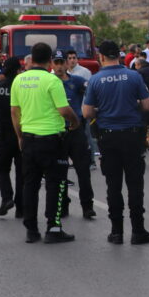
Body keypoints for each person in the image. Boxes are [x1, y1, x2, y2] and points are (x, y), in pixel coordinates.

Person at [83, 40, 149, 245]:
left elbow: (87, 112)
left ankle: (116, 232)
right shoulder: (134, 76)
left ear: (101, 57)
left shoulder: (95, 80)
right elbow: (148, 106)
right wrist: (132, 107)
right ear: (119, 55)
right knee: (135, 185)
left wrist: (103, 110)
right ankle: (138, 231)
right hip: (132, 136)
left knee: (113, 186)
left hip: (108, 137)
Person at [10, 42, 80, 244]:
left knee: (30, 185)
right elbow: (64, 110)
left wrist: (20, 136)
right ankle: (53, 228)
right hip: (52, 140)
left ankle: (31, 230)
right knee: (55, 185)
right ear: (50, 60)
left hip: (29, 139)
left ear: (31, 59)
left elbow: (14, 112)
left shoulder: (18, 80)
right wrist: (74, 122)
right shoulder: (52, 80)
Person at [51, 50, 96, 219]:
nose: (59, 66)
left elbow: (92, 91)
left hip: (76, 130)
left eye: (61, 62)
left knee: (83, 170)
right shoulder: (49, 82)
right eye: (56, 62)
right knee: (59, 173)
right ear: (52, 64)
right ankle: (63, 205)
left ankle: (87, 206)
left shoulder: (76, 81)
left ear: (66, 64)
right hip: (58, 132)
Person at [0, 57, 23, 217]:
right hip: (21, 134)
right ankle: (21, 208)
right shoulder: (22, 88)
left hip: (2, 134)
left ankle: (6, 198)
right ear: (18, 70)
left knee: (1, 168)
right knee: (22, 172)